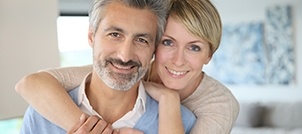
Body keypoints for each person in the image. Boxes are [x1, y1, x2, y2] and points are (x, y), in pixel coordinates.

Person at [16, 0, 240, 133]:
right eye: (114, 34)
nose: (124, 55)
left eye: (141, 39)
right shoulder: (43, 111)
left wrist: (169, 99)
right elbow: (32, 83)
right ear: (92, 37)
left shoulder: (190, 119)